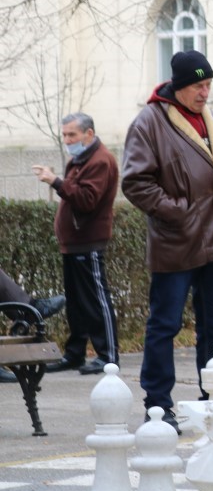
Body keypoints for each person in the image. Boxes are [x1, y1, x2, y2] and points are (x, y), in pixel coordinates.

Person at [121, 50, 213, 433]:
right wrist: (178, 212)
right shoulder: (149, 122)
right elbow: (135, 182)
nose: (205, 93)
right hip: (177, 243)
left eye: (209, 85)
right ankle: (158, 404)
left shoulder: (212, 120)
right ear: (179, 86)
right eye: (198, 86)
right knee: (165, 325)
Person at [32, 113, 121, 377]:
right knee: (77, 302)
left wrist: (55, 181)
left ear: (88, 134)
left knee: (95, 299)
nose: (67, 140)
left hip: (88, 241)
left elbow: (86, 200)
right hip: (74, 242)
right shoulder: (81, 159)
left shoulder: (100, 160)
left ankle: (108, 356)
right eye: (64, 135)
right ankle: (75, 353)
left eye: (72, 134)